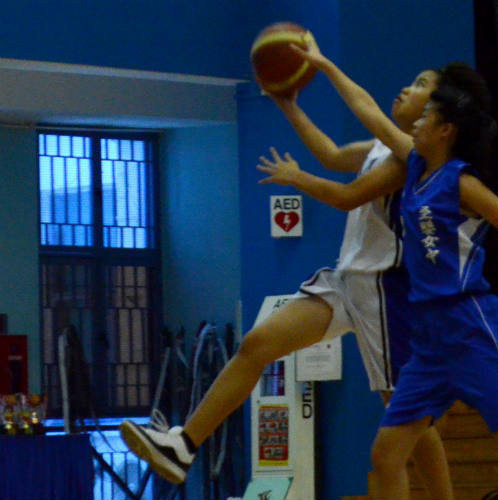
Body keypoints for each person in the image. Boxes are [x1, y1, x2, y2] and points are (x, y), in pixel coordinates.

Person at [261, 41, 498, 500]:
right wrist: (324, 65)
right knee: (387, 453)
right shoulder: (416, 163)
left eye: (425, 118)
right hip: (428, 337)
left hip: (471, 324)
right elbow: (368, 110)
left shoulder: (464, 184)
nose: (414, 123)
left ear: (445, 131)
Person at [119, 66, 455, 499]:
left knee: (406, 415)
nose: (406, 86)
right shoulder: (378, 147)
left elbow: (344, 195)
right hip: (346, 281)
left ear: (435, 114)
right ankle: (183, 446)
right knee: (256, 345)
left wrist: (320, 66)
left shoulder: (409, 159)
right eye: (411, 80)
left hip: (384, 292)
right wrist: (288, 105)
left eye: (420, 86)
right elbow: (332, 156)